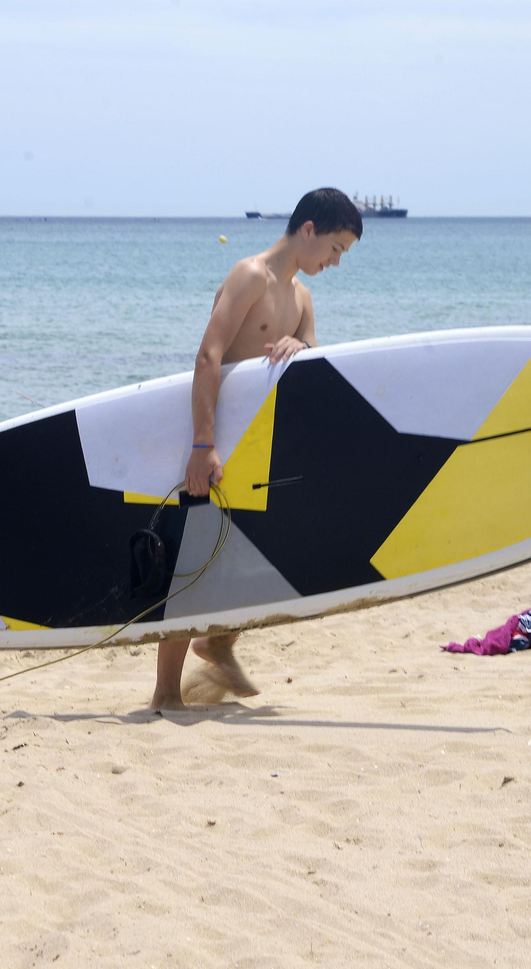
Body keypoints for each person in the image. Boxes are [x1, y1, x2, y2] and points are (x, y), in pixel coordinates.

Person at [150, 187, 363, 712]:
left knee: (262, 552)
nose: (335, 262)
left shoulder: (302, 299)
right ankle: (164, 694)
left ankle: (218, 641)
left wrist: (302, 346)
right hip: (214, 442)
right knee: (194, 558)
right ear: (308, 230)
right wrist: (202, 445)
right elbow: (208, 355)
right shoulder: (249, 276)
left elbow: (311, 358)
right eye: (335, 248)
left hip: (261, 451)